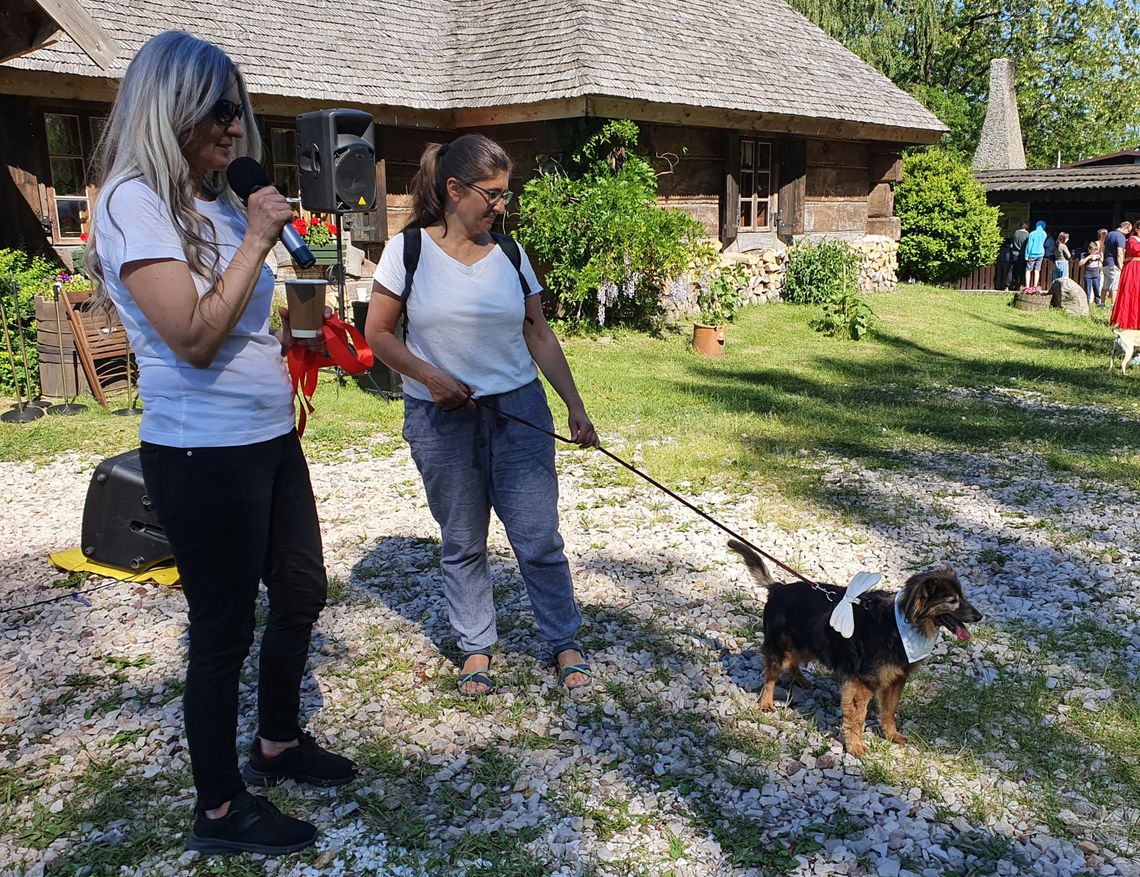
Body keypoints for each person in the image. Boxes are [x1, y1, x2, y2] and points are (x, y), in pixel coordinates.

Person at [87, 31, 354, 856]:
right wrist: (255, 241)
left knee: (303, 589)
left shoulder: (214, 199)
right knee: (223, 627)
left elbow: (236, 317)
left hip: (267, 435)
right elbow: (193, 339)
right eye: (220, 111)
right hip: (200, 450)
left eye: (239, 111)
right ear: (172, 109)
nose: (237, 129)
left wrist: (298, 326)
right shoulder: (132, 201)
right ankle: (218, 809)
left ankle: (275, 740)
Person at [364, 134, 598, 699]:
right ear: (453, 189)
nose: (500, 206)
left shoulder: (511, 255)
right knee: (463, 540)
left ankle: (564, 640)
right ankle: (475, 647)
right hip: (441, 421)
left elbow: (538, 333)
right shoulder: (409, 251)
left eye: (504, 195)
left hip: (518, 412)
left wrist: (575, 405)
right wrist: (430, 377)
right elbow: (376, 335)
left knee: (539, 538)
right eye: (491, 195)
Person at [1110, 222, 1140, 331]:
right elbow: (1136, 249)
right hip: (1133, 269)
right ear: (1137, 229)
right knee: (1131, 292)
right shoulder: (1133, 239)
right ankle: (1126, 320)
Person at [1104, 220, 1132, 307]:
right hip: (1114, 264)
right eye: (1128, 231)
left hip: (1105, 263)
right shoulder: (1121, 237)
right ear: (1125, 228)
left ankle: (1101, 304)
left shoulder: (1109, 234)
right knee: (1115, 285)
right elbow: (1120, 253)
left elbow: (1104, 247)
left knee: (1105, 285)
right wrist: (1121, 266)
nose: (1128, 233)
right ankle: (1114, 304)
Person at [1080, 240, 1103, 307]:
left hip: (1096, 274)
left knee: (1097, 290)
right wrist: (1088, 257)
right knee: (1088, 290)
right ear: (1089, 249)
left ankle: (1098, 303)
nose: (1093, 252)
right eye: (1092, 250)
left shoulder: (1098, 255)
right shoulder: (1084, 255)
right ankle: (1087, 303)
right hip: (1088, 274)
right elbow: (1080, 263)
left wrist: (1100, 258)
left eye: (1094, 251)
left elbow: (1102, 263)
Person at [1024, 220, 1047, 289]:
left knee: (1028, 270)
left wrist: (1026, 255)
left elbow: (1029, 245)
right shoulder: (1044, 234)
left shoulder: (1032, 233)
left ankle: (1027, 286)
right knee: (1037, 270)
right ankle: (1035, 286)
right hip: (1041, 253)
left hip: (1032, 253)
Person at [1010, 222, 1030, 290]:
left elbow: (1012, 242)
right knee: (1020, 271)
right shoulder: (1027, 234)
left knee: (1012, 270)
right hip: (1022, 254)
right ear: (1027, 227)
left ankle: (1009, 285)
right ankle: (1018, 285)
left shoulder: (1016, 232)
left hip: (1014, 253)